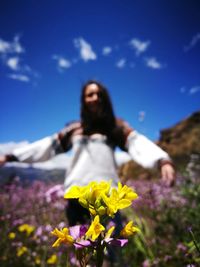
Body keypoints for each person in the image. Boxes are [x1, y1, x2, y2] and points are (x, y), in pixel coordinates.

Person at [0, 80, 175, 225]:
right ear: (83, 100)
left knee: (111, 251)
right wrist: (11, 156)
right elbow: (45, 147)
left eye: (99, 94)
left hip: (109, 200)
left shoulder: (115, 127)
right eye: (90, 94)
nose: (95, 98)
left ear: (105, 99)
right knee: (82, 255)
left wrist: (162, 160)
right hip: (77, 198)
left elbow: (137, 143)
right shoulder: (74, 129)